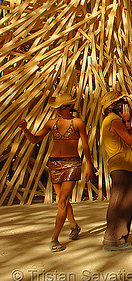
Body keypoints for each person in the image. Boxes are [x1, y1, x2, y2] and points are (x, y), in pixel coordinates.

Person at [19, 93, 94, 252]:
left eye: (62, 107)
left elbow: (86, 146)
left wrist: (89, 166)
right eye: (57, 108)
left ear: (70, 107)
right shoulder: (51, 123)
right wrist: (25, 130)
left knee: (62, 201)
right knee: (62, 200)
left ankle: (54, 238)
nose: (59, 110)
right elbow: (35, 139)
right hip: (54, 164)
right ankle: (74, 226)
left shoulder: (78, 123)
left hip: (72, 163)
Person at [101, 90, 132, 251]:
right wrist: (128, 122)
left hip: (121, 164)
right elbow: (130, 140)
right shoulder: (115, 121)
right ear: (114, 106)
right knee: (120, 202)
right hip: (121, 164)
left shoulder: (109, 120)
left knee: (125, 201)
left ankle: (119, 237)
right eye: (120, 103)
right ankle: (113, 239)